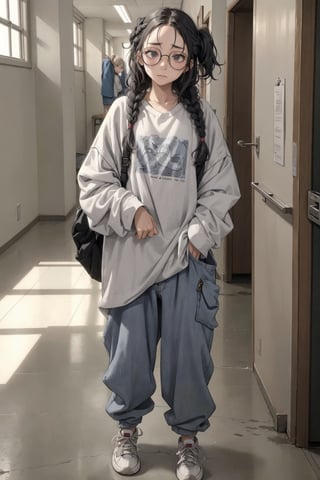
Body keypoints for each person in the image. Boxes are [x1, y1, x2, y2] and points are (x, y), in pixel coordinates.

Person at [78, 7, 240, 480]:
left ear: (189, 61)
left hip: (186, 262)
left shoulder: (202, 117)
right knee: (128, 358)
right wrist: (133, 209)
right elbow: (93, 180)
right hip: (131, 261)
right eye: (154, 53)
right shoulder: (122, 115)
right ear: (139, 54)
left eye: (175, 55)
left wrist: (197, 235)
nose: (163, 63)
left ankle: (187, 440)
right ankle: (127, 430)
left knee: (189, 359)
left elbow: (222, 186)